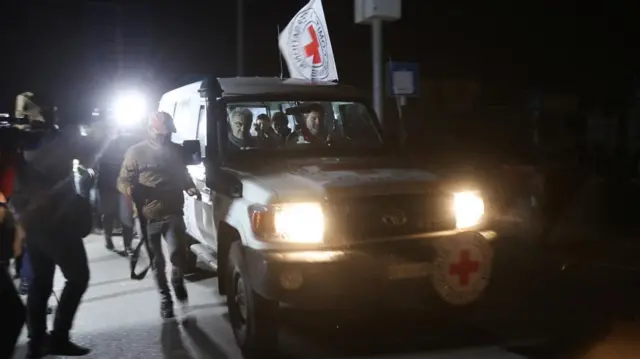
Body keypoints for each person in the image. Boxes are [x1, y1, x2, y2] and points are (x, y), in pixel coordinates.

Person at [11, 101, 92, 358]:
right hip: (57, 223)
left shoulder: (15, 145)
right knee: (78, 278)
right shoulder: (51, 141)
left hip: (31, 224)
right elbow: (79, 153)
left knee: (41, 285)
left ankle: (36, 343)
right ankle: (58, 337)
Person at [117, 111, 200, 319]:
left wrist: (189, 187)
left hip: (173, 212)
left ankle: (177, 282)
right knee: (157, 262)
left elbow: (183, 174)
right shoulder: (135, 152)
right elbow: (122, 181)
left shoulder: (176, 151)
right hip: (147, 216)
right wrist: (131, 190)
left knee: (178, 256)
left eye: (167, 133)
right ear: (150, 130)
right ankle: (165, 298)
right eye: (160, 133)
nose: (164, 137)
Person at [96, 131, 139, 255]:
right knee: (109, 215)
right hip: (108, 188)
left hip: (123, 188)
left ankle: (127, 246)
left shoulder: (129, 147)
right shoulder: (104, 147)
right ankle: (108, 239)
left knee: (126, 218)